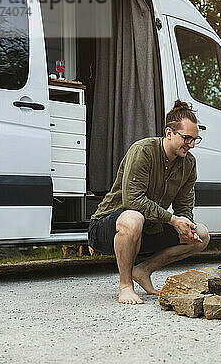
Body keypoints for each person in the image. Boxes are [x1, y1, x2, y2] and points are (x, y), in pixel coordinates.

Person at [88, 100, 210, 304]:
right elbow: (132, 200)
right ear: (169, 133)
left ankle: (143, 270)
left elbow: (184, 206)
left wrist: (185, 225)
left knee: (202, 235)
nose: (191, 145)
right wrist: (172, 220)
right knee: (133, 218)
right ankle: (125, 285)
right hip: (108, 226)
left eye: (195, 139)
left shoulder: (189, 163)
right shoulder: (143, 150)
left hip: (148, 228)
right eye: (187, 138)